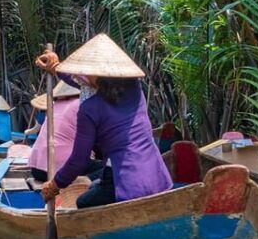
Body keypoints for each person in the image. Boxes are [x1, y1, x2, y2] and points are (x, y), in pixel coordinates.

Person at [36, 33, 173, 209]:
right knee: (94, 186)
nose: (81, 75)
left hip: (124, 182)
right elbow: (87, 84)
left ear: (95, 75)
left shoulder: (89, 108)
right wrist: (55, 67)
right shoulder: (134, 88)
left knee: (82, 202)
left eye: (84, 71)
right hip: (156, 176)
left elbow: (78, 160)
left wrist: (54, 185)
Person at [26, 81, 103, 182]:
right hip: (60, 170)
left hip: (37, 170)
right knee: (113, 169)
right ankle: (82, 183)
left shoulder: (55, 105)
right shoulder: (81, 105)